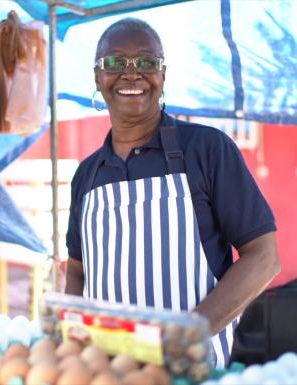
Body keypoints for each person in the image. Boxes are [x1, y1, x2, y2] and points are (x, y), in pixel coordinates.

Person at [64, 18, 280, 368]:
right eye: (115, 63)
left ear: (162, 76)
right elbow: (76, 270)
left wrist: (186, 334)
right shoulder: (86, 176)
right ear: (98, 77)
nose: (131, 74)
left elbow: (264, 257)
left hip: (193, 367)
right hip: (110, 369)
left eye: (146, 62)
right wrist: (73, 342)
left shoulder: (206, 149)